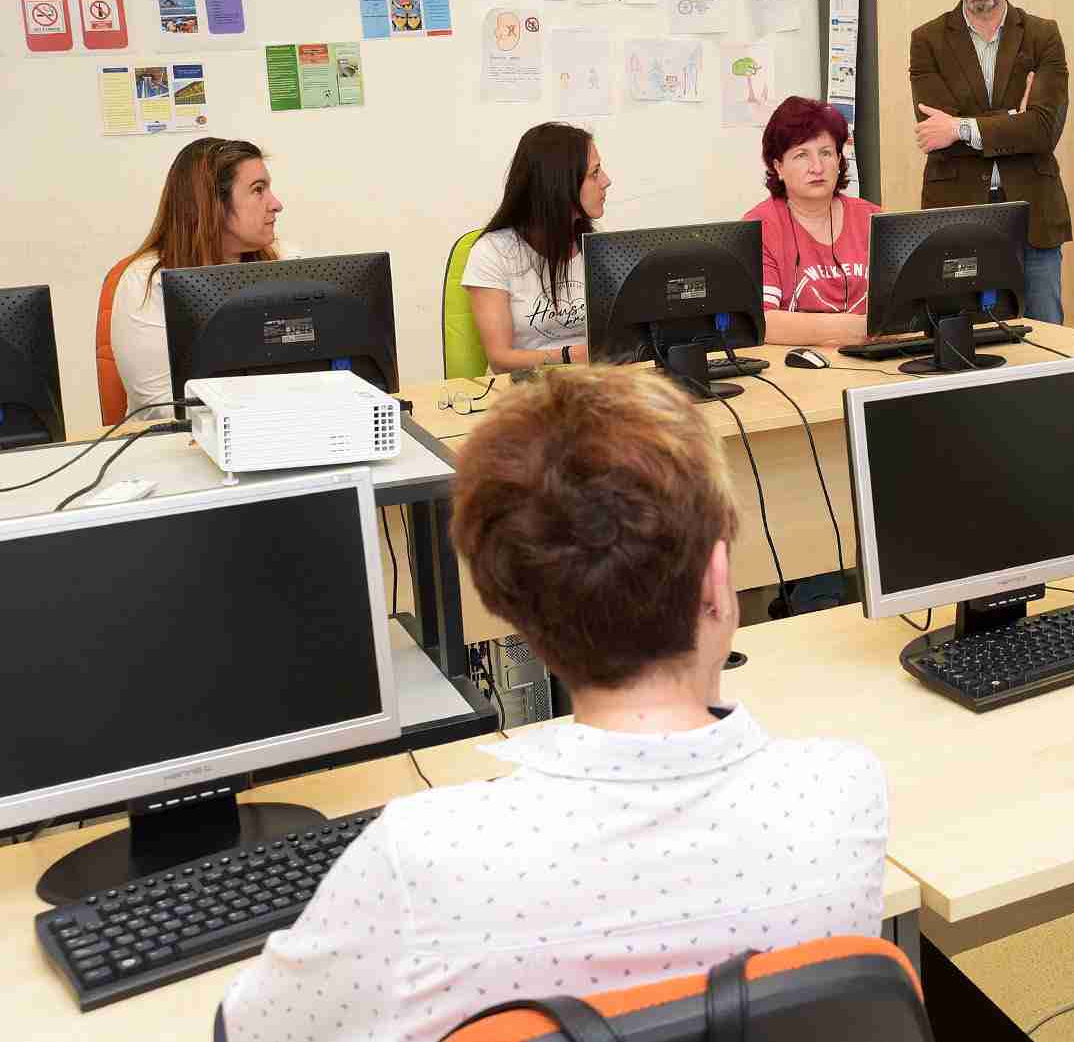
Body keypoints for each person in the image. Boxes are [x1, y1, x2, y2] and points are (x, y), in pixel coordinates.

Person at [218, 365, 889, 1042]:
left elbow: (246, 1031)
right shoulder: (840, 795)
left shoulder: (422, 860)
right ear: (717, 581)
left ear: (509, 607)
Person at [909, 0, 1071, 325]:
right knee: (964, 336)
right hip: (958, 213)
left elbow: (1044, 129)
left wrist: (962, 127)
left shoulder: (1041, 35)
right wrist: (1012, 121)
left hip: (1033, 213)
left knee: (1046, 337)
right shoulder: (927, 39)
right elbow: (934, 131)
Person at [110, 137, 290, 417]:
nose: (276, 204)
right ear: (210, 204)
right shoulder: (146, 283)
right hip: (175, 448)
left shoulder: (285, 262)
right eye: (258, 190)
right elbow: (163, 407)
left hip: (273, 433)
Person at [462, 122, 610, 372]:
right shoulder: (493, 253)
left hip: (593, 385)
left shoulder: (597, 247)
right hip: (525, 392)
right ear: (559, 184)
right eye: (594, 173)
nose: (606, 181)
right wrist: (572, 355)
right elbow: (500, 359)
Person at [741, 95, 883, 347]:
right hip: (797, 373)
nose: (817, 167)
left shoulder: (873, 219)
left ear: (839, 161)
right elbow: (761, 321)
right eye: (801, 155)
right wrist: (858, 329)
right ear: (779, 167)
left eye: (826, 153)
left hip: (878, 365)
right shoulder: (760, 226)